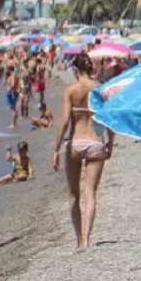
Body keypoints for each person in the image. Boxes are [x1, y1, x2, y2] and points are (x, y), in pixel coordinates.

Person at [52, 54, 115, 248]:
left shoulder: (71, 90)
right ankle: (87, 239)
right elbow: (108, 118)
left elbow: (64, 121)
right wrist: (110, 142)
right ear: (90, 68)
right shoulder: (100, 89)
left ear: (75, 70)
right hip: (95, 142)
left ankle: (79, 239)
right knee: (90, 192)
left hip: (75, 142)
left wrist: (56, 150)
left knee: (74, 194)